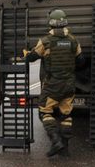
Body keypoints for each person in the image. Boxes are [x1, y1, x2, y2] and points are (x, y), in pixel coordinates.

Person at [25, 9, 85, 157]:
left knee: (44, 111)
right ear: (65, 22)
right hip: (70, 84)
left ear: (50, 23)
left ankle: (55, 141)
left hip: (53, 85)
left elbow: (32, 57)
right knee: (66, 114)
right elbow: (81, 61)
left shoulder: (45, 41)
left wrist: (26, 53)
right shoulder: (73, 40)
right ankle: (65, 148)